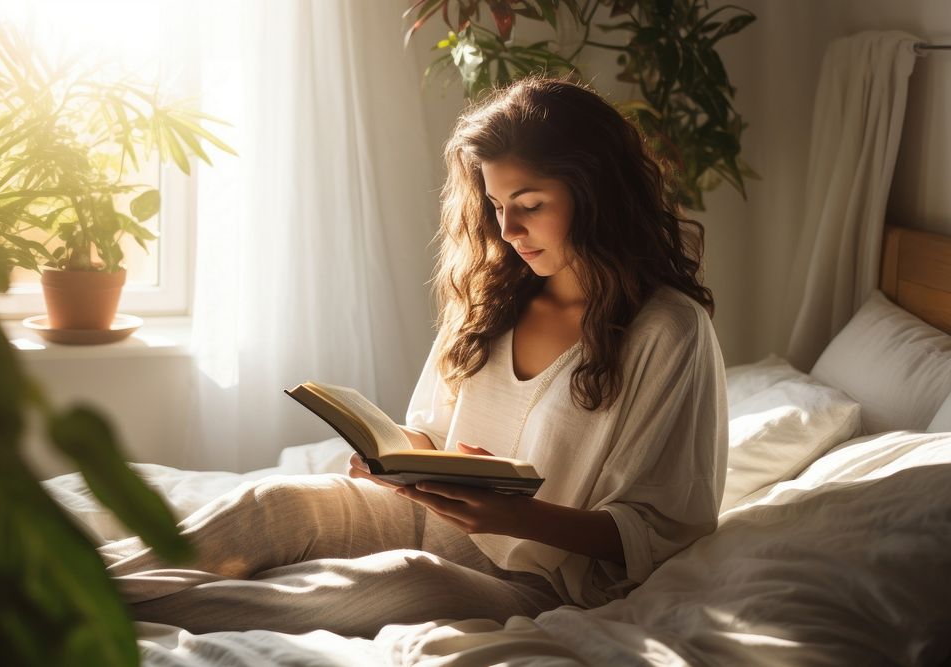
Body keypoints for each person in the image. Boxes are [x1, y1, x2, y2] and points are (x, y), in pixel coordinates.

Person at [101, 75, 727, 638]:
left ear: (597, 194)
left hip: (546, 583)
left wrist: (519, 517)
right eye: (496, 206)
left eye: (530, 205)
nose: (508, 231)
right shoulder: (494, 299)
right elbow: (430, 433)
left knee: (395, 583)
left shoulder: (668, 331)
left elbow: (663, 527)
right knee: (273, 505)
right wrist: (393, 456)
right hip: (431, 523)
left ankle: (85, 621)